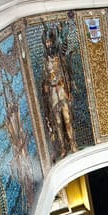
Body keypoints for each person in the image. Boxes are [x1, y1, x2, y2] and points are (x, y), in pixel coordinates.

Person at [40, 24, 77, 159]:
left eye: (50, 41)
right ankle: (63, 147)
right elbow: (45, 79)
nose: (49, 44)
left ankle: (73, 144)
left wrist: (63, 32)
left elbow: (64, 48)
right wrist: (45, 86)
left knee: (67, 119)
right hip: (53, 93)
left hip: (61, 90)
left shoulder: (59, 56)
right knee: (57, 122)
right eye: (47, 42)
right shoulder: (45, 61)